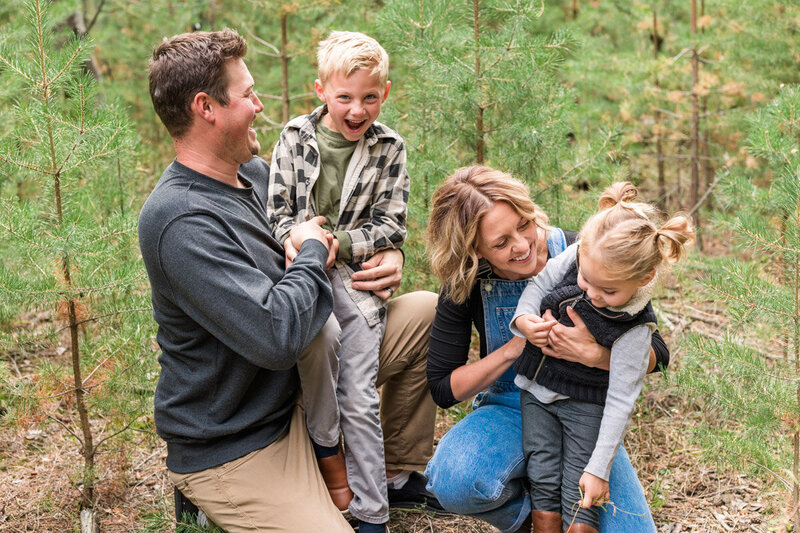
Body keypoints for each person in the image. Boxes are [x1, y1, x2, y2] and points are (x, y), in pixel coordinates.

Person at [139, 29, 437, 533]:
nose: (260, 105)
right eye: (248, 93)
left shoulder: (254, 174)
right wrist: (319, 247)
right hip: (240, 438)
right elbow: (278, 336)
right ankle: (221, 502)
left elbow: (337, 243)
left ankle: (390, 474)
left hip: (298, 389)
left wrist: (388, 256)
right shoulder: (179, 220)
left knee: (427, 310)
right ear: (206, 107)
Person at [424, 166, 670, 533]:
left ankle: (569, 488)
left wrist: (595, 356)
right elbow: (444, 389)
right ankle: (537, 517)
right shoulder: (467, 283)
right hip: (511, 405)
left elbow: (658, 352)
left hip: (585, 413)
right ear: (474, 250)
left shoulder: (583, 251)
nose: (522, 246)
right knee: (454, 477)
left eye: (524, 224)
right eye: (500, 243)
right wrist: (514, 348)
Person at [266, 30, 441, 532]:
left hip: (358, 281)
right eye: (345, 97)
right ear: (320, 90)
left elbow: (391, 224)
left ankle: (372, 512)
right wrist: (300, 239)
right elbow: (275, 214)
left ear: (384, 93)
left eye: (369, 97)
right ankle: (325, 444)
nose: (357, 109)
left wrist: (339, 244)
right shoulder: (294, 139)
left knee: (359, 393)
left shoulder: (389, 147)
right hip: (300, 275)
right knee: (324, 343)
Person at [511, 182, 694, 532]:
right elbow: (537, 285)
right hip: (536, 391)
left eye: (608, 290)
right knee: (542, 473)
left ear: (645, 277)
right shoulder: (580, 252)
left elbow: (623, 397)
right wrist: (523, 319)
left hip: (586, 406)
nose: (592, 295)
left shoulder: (635, 327)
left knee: (579, 490)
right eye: (585, 280)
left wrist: (599, 469)